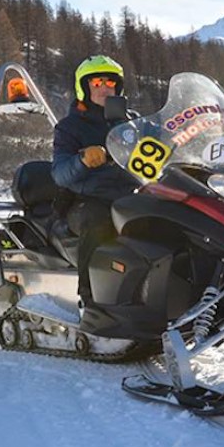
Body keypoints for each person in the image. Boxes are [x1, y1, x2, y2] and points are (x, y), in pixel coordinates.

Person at [51, 55, 137, 305]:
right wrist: (82, 160)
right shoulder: (70, 127)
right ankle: (91, 302)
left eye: (110, 82)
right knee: (99, 221)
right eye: (97, 82)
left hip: (132, 195)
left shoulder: (134, 122)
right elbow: (60, 173)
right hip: (87, 199)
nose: (104, 88)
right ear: (84, 87)